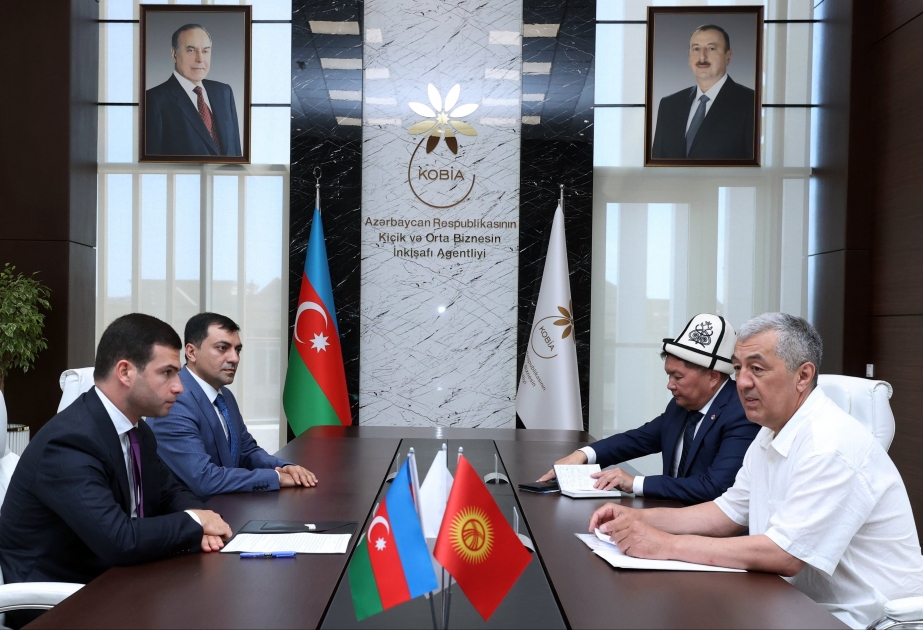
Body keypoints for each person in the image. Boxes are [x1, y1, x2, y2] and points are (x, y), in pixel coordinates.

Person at [589, 313, 923, 629]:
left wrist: (664, 545)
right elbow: (727, 513)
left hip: (863, 618)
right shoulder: (770, 432)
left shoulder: (830, 444)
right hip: (794, 600)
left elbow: (784, 554)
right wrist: (638, 518)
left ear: (803, 376)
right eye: (738, 368)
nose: (743, 382)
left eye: (758, 369)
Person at [0, 314, 231, 628]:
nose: (179, 387)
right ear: (125, 372)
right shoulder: (68, 442)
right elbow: (119, 539)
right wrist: (196, 522)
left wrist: (205, 522)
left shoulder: (137, 431)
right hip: (59, 602)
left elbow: (170, 492)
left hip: (116, 579)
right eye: (167, 372)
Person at [539, 314, 759, 505]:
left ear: (712, 376)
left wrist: (634, 483)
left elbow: (715, 487)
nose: (670, 385)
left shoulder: (741, 413)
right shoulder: (681, 406)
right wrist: (583, 455)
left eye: (678, 377)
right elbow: (638, 439)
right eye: (669, 375)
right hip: (672, 518)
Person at [148, 313, 317, 501]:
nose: (234, 358)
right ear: (191, 352)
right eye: (222, 348)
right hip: (193, 513)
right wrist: (276, 477)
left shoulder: (224, 396)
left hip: (229, 506)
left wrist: (285, 467)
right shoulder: (174, 401)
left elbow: (247, 451)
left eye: (237, 350)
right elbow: (204, 480)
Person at [651, 24, 755, 160]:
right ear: (689, 56)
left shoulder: (751, 103)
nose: (702, 57)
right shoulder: (669, 105)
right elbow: (657, 163)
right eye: (696, 49)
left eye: (711, 48)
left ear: (728, 56)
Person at [145, 24, 242, 157]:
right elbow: (152, 162)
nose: (200, 59)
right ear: (174, 54)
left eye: (205, 51)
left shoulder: (224, 92)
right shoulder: (154, 100)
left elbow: (236, 151)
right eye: (191, 50)